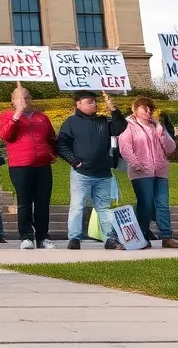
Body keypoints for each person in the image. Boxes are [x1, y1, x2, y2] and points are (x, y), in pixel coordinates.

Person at [57, 90, 127, 250]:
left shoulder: (104, 121)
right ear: (78, 104)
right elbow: (61, 144)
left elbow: (120, 127)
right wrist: (74, 161)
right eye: (89, 101)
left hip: (103, 173)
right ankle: (74, 238)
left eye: (95, 101)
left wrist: (113, 109)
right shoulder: (71, 122)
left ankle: (110, 238)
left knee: (104, 207)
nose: (94, 104)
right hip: (82, 174)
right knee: (77, 206)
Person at [0, 86, 58, 250]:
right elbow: (5, 135)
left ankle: (42, 237)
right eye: (20, 98)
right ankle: (26, 236)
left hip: (42, 165)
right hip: (20, 165)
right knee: (24, 202)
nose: (24, 101)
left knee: (42, 202)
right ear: (13, 101)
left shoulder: (42, 118)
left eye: (27, 98)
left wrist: (52, 154)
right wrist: (17, 116)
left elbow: (51, 138)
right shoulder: (7, 116)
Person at [117, 96, 178, 248]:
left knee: (162, 204)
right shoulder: (129, 126)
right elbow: (125, 147)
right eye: (144, 108)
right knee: (145, 204)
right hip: (141, 172)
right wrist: (136, 164)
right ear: (135, 110)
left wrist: (162, 133)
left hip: (160, 170)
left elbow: (171, 148)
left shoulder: (157, 126)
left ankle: (166, 236)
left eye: (150, 108)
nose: (148, 111)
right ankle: (142, 236)